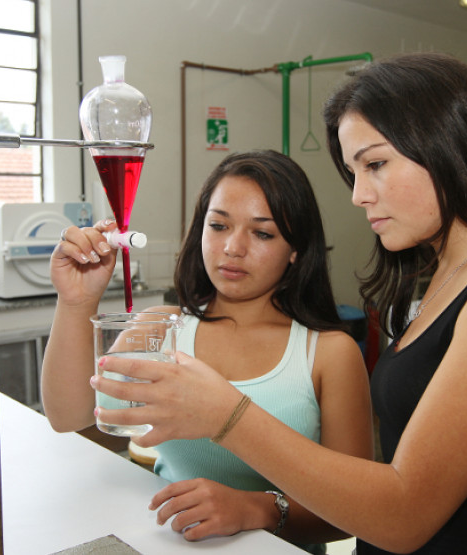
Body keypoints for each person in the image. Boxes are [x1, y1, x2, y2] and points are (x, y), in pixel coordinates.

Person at [92, 52, 467, 555]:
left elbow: (405, 515)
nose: (358, 195)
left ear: (452, 146)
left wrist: (228, 416)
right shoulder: (453, 273)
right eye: (353, 172)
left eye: (376, 164)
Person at [41, 149, 374, 551]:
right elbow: (69, 417)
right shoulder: (160, 330)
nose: (233, 247)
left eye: (262, 233)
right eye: (218, 226)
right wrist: (76, 303)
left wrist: (260, 508)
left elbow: (355, 512)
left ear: (296, 250)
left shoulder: (328, 353)